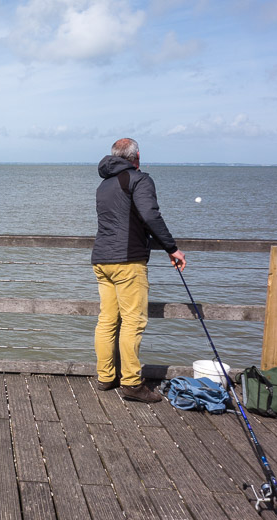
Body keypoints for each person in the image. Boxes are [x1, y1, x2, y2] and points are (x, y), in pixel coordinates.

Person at [91, 138, 186, 403]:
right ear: (137, 156)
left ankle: (105, 377)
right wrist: (172, 248)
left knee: (107, 320)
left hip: (101, 260)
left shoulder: (104, 184)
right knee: (133, 321)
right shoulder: (139, 179)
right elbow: (150, 215)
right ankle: (132, 383)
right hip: (127, 261)